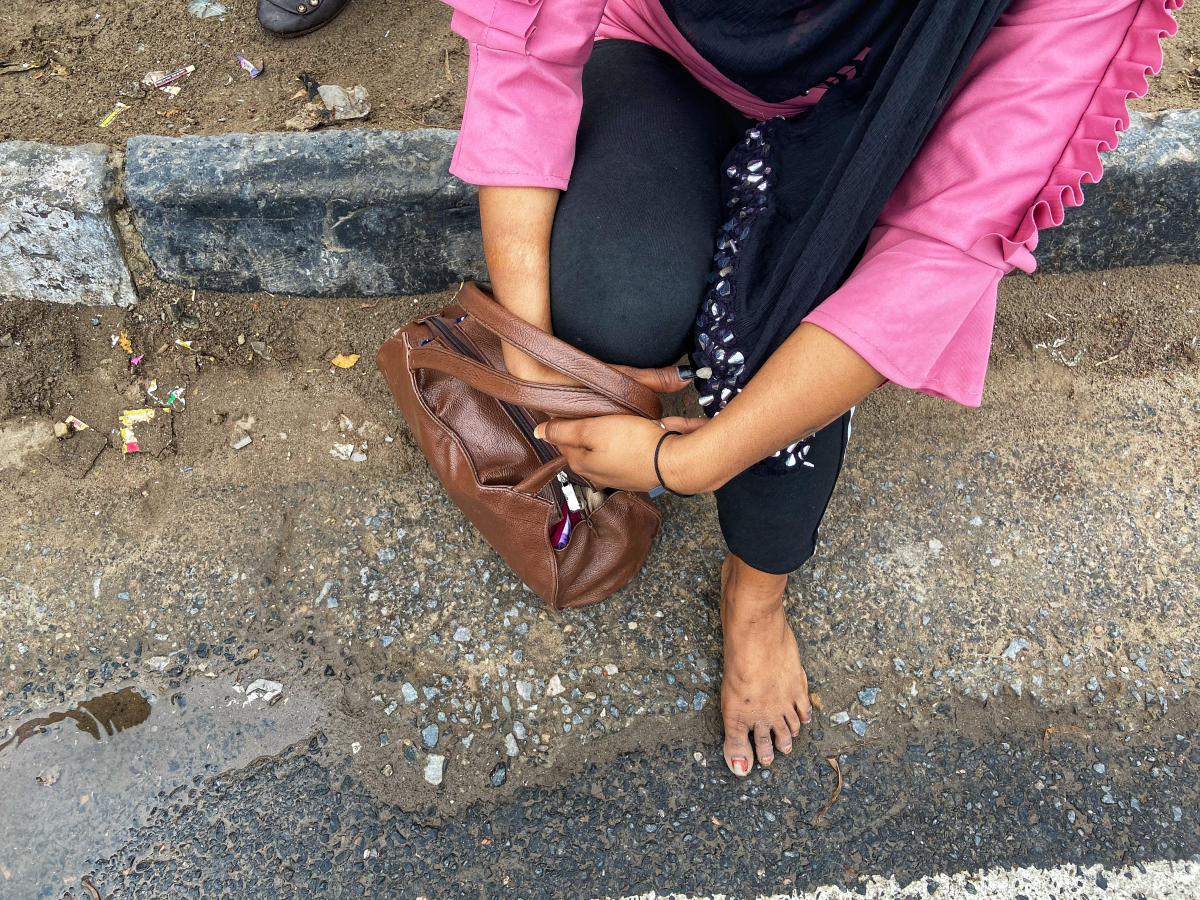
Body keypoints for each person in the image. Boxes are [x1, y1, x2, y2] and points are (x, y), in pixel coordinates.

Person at [438, 0, 1182, 776]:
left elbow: (941, 241)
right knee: (615, 305)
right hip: (665, 52)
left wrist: (688, 462)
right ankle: (692, 310)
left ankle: (753, 597)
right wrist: (533, 357)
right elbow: (529, 45)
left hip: (880, 117)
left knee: (793, 328)